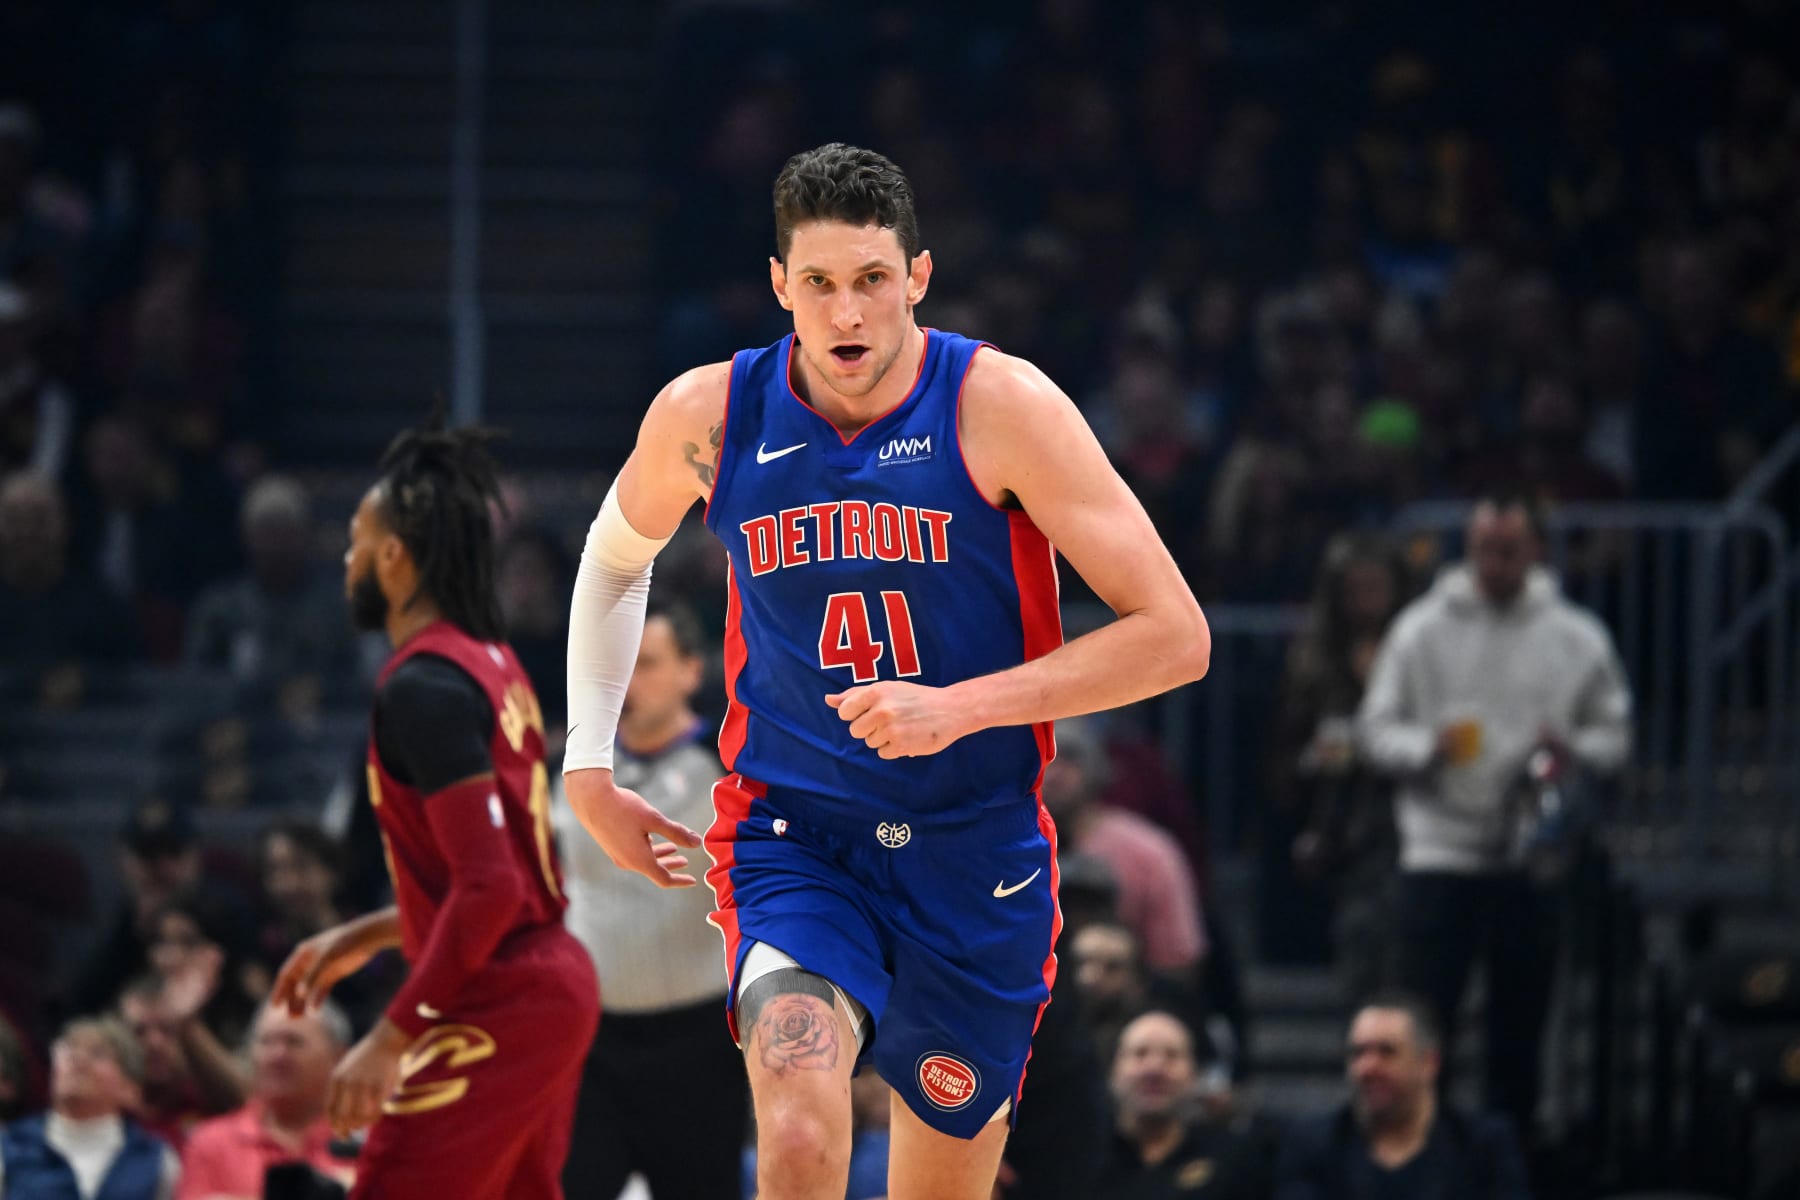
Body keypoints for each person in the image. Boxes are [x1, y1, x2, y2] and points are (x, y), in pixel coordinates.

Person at [563, 143, 1210, 1200]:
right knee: (799, 1131)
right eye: (819, 282)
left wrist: (960, 709)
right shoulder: (711, 415)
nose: (847, 312)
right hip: (796, 836)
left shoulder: (1001, 406)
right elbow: (612, 558)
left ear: (918, 276)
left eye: (871, 278)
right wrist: (587, 765)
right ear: (781, 285)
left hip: (972, 847)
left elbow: (1176, 635)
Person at [269, 420, 599, 1199]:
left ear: (393, 557)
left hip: (502, 991)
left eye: (356, 541)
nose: (346, 560)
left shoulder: (423, 688)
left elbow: (492, 890)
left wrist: (391, 1037)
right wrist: (369, 932)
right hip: (547, 975)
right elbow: (504, 879)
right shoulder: (491, 661)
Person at [1356, 490, 1630, 1139]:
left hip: (1530, 856)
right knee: (1427, 1023)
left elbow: (1616, 738)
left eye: (1509, 550)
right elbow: (1375, 730)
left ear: (1536, 550)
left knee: (1521, 1029)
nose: (1496, 562)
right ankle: (1425, 1157)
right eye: (1484, 548)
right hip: (1437, 850)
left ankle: (1510, 1159)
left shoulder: (1576, 637)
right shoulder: (1421, 629)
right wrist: (1427, 748)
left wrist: (1572, 748)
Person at [556, 598, 749, 1198]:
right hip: (590, 1041)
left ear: (692, 671)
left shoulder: (730, 765)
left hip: (699, 1042)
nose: (626, 682)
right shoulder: (571, 769)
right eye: (616, 665)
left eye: (645, 664)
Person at [1273, 993, 1531, 1200]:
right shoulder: (1315, 1144)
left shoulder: (1483, 1147)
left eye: (1387, 1052)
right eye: (1358, 1053)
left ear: (1429, 1062)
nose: (1367, 1068)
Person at [175, 1004, 356, 1200]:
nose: (277, 1055)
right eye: (266, 1042)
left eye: (294, 1042)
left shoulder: (365, 1142)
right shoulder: (212, 1144)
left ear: (339, 1057)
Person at [0, 1017, 181, 1200]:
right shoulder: (9, 1146)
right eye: (68, 1049)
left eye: (97, 1054)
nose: (78, 1059)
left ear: (130, 1090)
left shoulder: (157, 1161)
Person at [1099, 1011, 1267, 1200]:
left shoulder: (1233, 1160)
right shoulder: (1081, 1157)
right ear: (1113, 1071)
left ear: (1194, 1074)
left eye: (1172, 1055)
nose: (1155, 1068)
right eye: (1140, 1053)